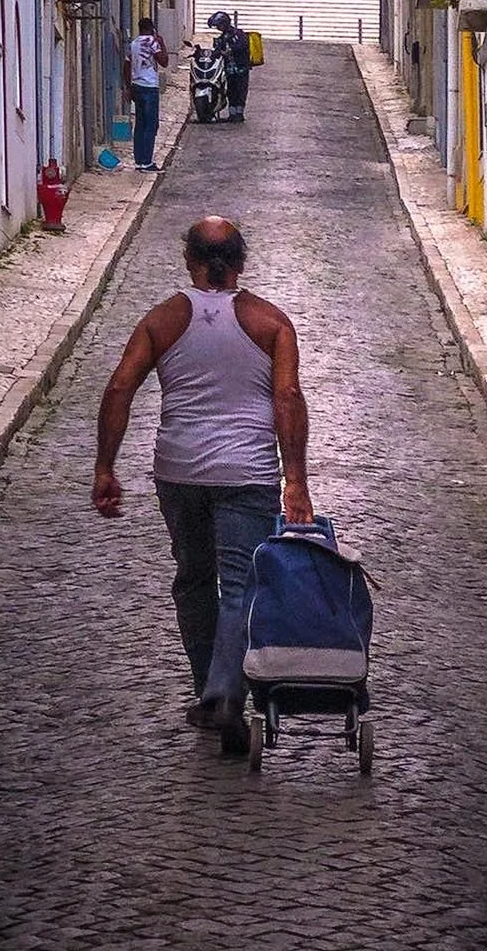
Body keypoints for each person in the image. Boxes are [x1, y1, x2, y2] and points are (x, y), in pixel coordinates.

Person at [92, 217, 312, 754]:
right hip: (247, 473)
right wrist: (296, 481)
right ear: (241, 262)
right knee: (240, 585)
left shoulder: (161, 321)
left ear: (189, 260)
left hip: (180, 472)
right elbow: (287, 399)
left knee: (193, 580)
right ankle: (225, 692)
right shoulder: (271, 323)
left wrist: (105, 467)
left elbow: (120, 388)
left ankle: (208, 690)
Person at [122, 16, 169, 171]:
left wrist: (128, 87)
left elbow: (126, 66)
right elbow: (164, 62)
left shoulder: (133, 44)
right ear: (152, 28)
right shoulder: (153, 42)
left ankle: (139, 160)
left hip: (136, 86)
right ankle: (147, 161)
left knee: (140, 125)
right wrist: (162, 43)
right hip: (149, 87)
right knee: (151, 125)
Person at [207, 10, 251, 122]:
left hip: (241, 68)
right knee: (231, 91)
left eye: (219, 25)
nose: (218, 28)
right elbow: (216, 52)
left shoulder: (239, 34)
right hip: (229, 70)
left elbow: (243, 46)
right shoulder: (221, 38)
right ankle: (232, 114)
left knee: (240, 91)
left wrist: (230, 50)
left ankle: (239, 114)